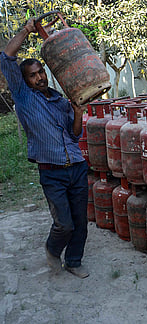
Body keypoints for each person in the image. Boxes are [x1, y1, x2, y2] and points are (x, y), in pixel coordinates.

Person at [0, 18, 89, 278]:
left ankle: (73, 261)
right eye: (33, 75)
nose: (39, 77)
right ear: (24, 80)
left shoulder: (60, 100)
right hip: (52, 172)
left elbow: (74, 137)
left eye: (41, 72)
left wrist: (77, 113)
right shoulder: (24, 97)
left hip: (77, 167)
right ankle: (52, 250)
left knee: (80, 223)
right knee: (64, 224)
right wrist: (27, 29)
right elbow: (6, 57)